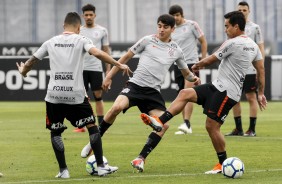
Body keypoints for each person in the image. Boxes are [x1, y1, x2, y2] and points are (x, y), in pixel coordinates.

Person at [140, 11, 267, 174]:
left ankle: (222, 163)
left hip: (227, 92)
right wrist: (261, 93)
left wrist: (194, 66)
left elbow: (211, 59)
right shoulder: (253, 45)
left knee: (212, 127)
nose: (225, 30)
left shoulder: (232, 43)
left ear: (236, 26)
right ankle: (160, 121)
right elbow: (261, 69)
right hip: (218, 87)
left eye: (227, 26)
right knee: (185, 93)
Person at [80, 14, 200, 172]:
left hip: (153, 93)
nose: (161, 29)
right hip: (135, 85)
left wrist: (195, 78)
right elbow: (126, 57)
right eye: (159, 26)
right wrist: (109, 76)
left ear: (172, 29)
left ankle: (140, 158)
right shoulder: (147, 40)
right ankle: (93, 142)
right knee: (116, 108)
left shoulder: (176, 50)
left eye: (165, 27)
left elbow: (186, 73)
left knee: (163, 126)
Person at [16, 12, 130, 178]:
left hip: (54, 95)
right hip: (75, 95)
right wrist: (118, 64)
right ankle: (100, 166)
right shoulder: (82, 39)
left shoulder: (50, 41)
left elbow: (32, 60)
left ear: (64, 26)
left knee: (56, 132)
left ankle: (63, 171)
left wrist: (23, 71)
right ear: (79, 28)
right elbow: (98, 53)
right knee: (92, 127)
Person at [226, 1, 265, 137]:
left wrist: (260, 67)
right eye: (240, 10)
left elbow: (260, 47)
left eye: (244, 10)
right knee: (234, 99)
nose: (242, 12)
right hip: (236, 70)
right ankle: (238, 129)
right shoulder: (233, 26)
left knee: (251, 98)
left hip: (250, 70)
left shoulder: (255, 28)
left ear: (249, 11)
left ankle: (252, 129)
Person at [169, 5, 207, 135]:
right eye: (173, 16)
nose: (175, 18)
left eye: (177, 15)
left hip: (191, 63)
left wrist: (202, 60)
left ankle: (186, 123)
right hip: (177, 64)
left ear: (182, 15)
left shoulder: (192, 25)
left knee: (187, 92)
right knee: (181, 95)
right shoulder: (171, 29)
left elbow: (203, 41)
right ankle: (186, 126)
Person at [73, 4, 111, 133]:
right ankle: (82, 125)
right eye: (86, 15)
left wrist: (108, 70)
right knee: (81, 97)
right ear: (82, 16)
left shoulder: (102, 30)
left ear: (94, 15)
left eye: (91, 15)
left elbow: (106, 51)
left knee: (98, 96)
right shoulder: (78, 30)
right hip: (81, 69)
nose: (88, 17)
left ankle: (101, 124)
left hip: (95, 68)